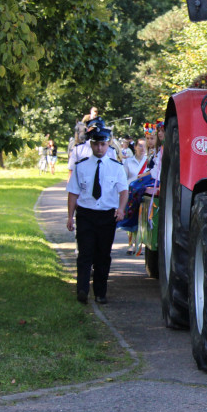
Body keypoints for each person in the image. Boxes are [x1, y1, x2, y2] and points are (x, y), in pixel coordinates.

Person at [66, 120, 128, 304]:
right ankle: (82, 290)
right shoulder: (81, 166)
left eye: (103, 144)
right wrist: (70, 216)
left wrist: (121, 209)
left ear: (108, 144)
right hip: (86, 214)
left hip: (107, 215)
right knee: (85, 253)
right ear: (91, 144)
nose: (100, 148)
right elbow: (73, 192)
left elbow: (124, 191)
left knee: (103, 255)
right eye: (96, 144)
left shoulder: (116, 167)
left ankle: (100, 293)